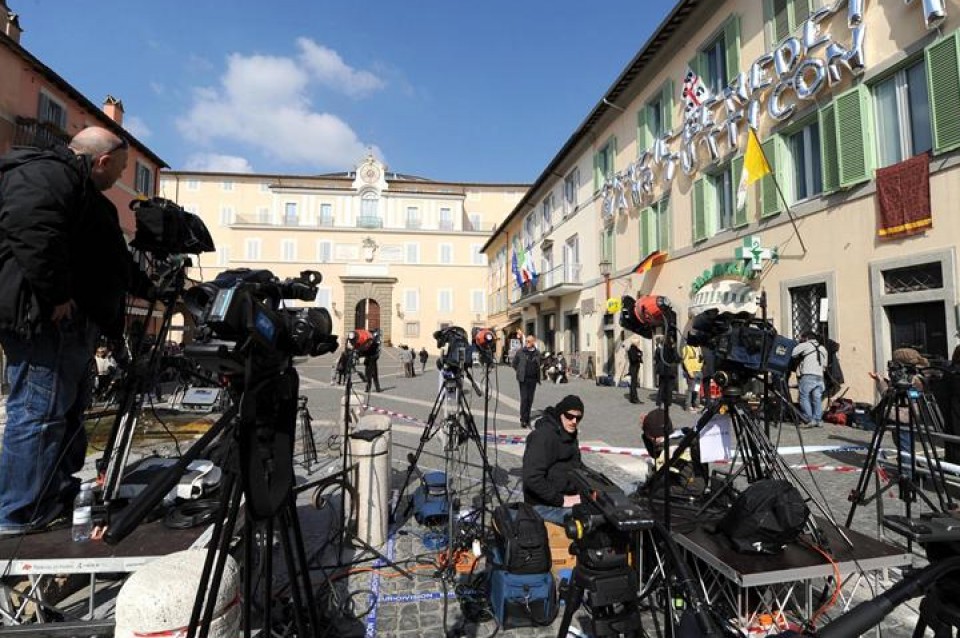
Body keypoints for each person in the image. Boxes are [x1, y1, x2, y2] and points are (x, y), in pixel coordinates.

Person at [0, 126, 154, 536]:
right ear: (103, 161)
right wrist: (56, 295)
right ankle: (18, 513)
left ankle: (56, 495)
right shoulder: (47, 174)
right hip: (42, 318)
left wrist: (150, 286)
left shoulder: (84, 193)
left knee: (65, 415)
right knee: (37, 413)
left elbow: (108, 259)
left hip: (69, 324)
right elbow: (31, 231)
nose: (119, 175)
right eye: (121, 167)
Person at [521, 395, 585, 524]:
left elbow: (576, 465)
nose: (574, 421)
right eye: (569, 416)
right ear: (561, 414)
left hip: (566, 498)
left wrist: (595, 484)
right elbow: (532, 477)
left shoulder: (569, 434)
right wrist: (562, 500)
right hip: (542, 506)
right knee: (588, 520)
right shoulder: (543, 437)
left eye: (578, 418)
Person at [792, 331, 828, 427]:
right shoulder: (823, 348)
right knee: (817, 398)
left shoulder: (806, 345)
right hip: (820, 376)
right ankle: (818, 420)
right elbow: (825, 365)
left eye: (801, 338)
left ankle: (808, 419)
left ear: (806, 338)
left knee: (804, 397)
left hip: (808, 375)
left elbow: (793, 353)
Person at [512, 333, 541, 429]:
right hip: (523, 379)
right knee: (524, 399)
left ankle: (527, 417)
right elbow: (514, 363)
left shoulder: (537, 353)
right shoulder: (521, 352)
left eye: (529, 341)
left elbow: (539, 364)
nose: (527, 343)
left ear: (533, 342)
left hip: (533, 379)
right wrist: (520, 371)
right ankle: (523, 419)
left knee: (530, 399)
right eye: (526, 341)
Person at [653, 336, 677, 408]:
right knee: (669, 387)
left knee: (662, 386)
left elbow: (656, 359)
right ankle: (668, 401)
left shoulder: (658, 349)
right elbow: (675, 358)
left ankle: (659, 401)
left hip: (662, 371)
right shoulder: (670, 349)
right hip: (669, 371)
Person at [681, 342, 703, 412]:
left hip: (698, 371)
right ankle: (688, 406)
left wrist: (700, 367)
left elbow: (701, 358)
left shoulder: (698, 348)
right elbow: (685, 360)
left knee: (697, 389)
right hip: (692, 371)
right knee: (690, 389)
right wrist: (689, 371)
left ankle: (696, 404)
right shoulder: (687, 348)